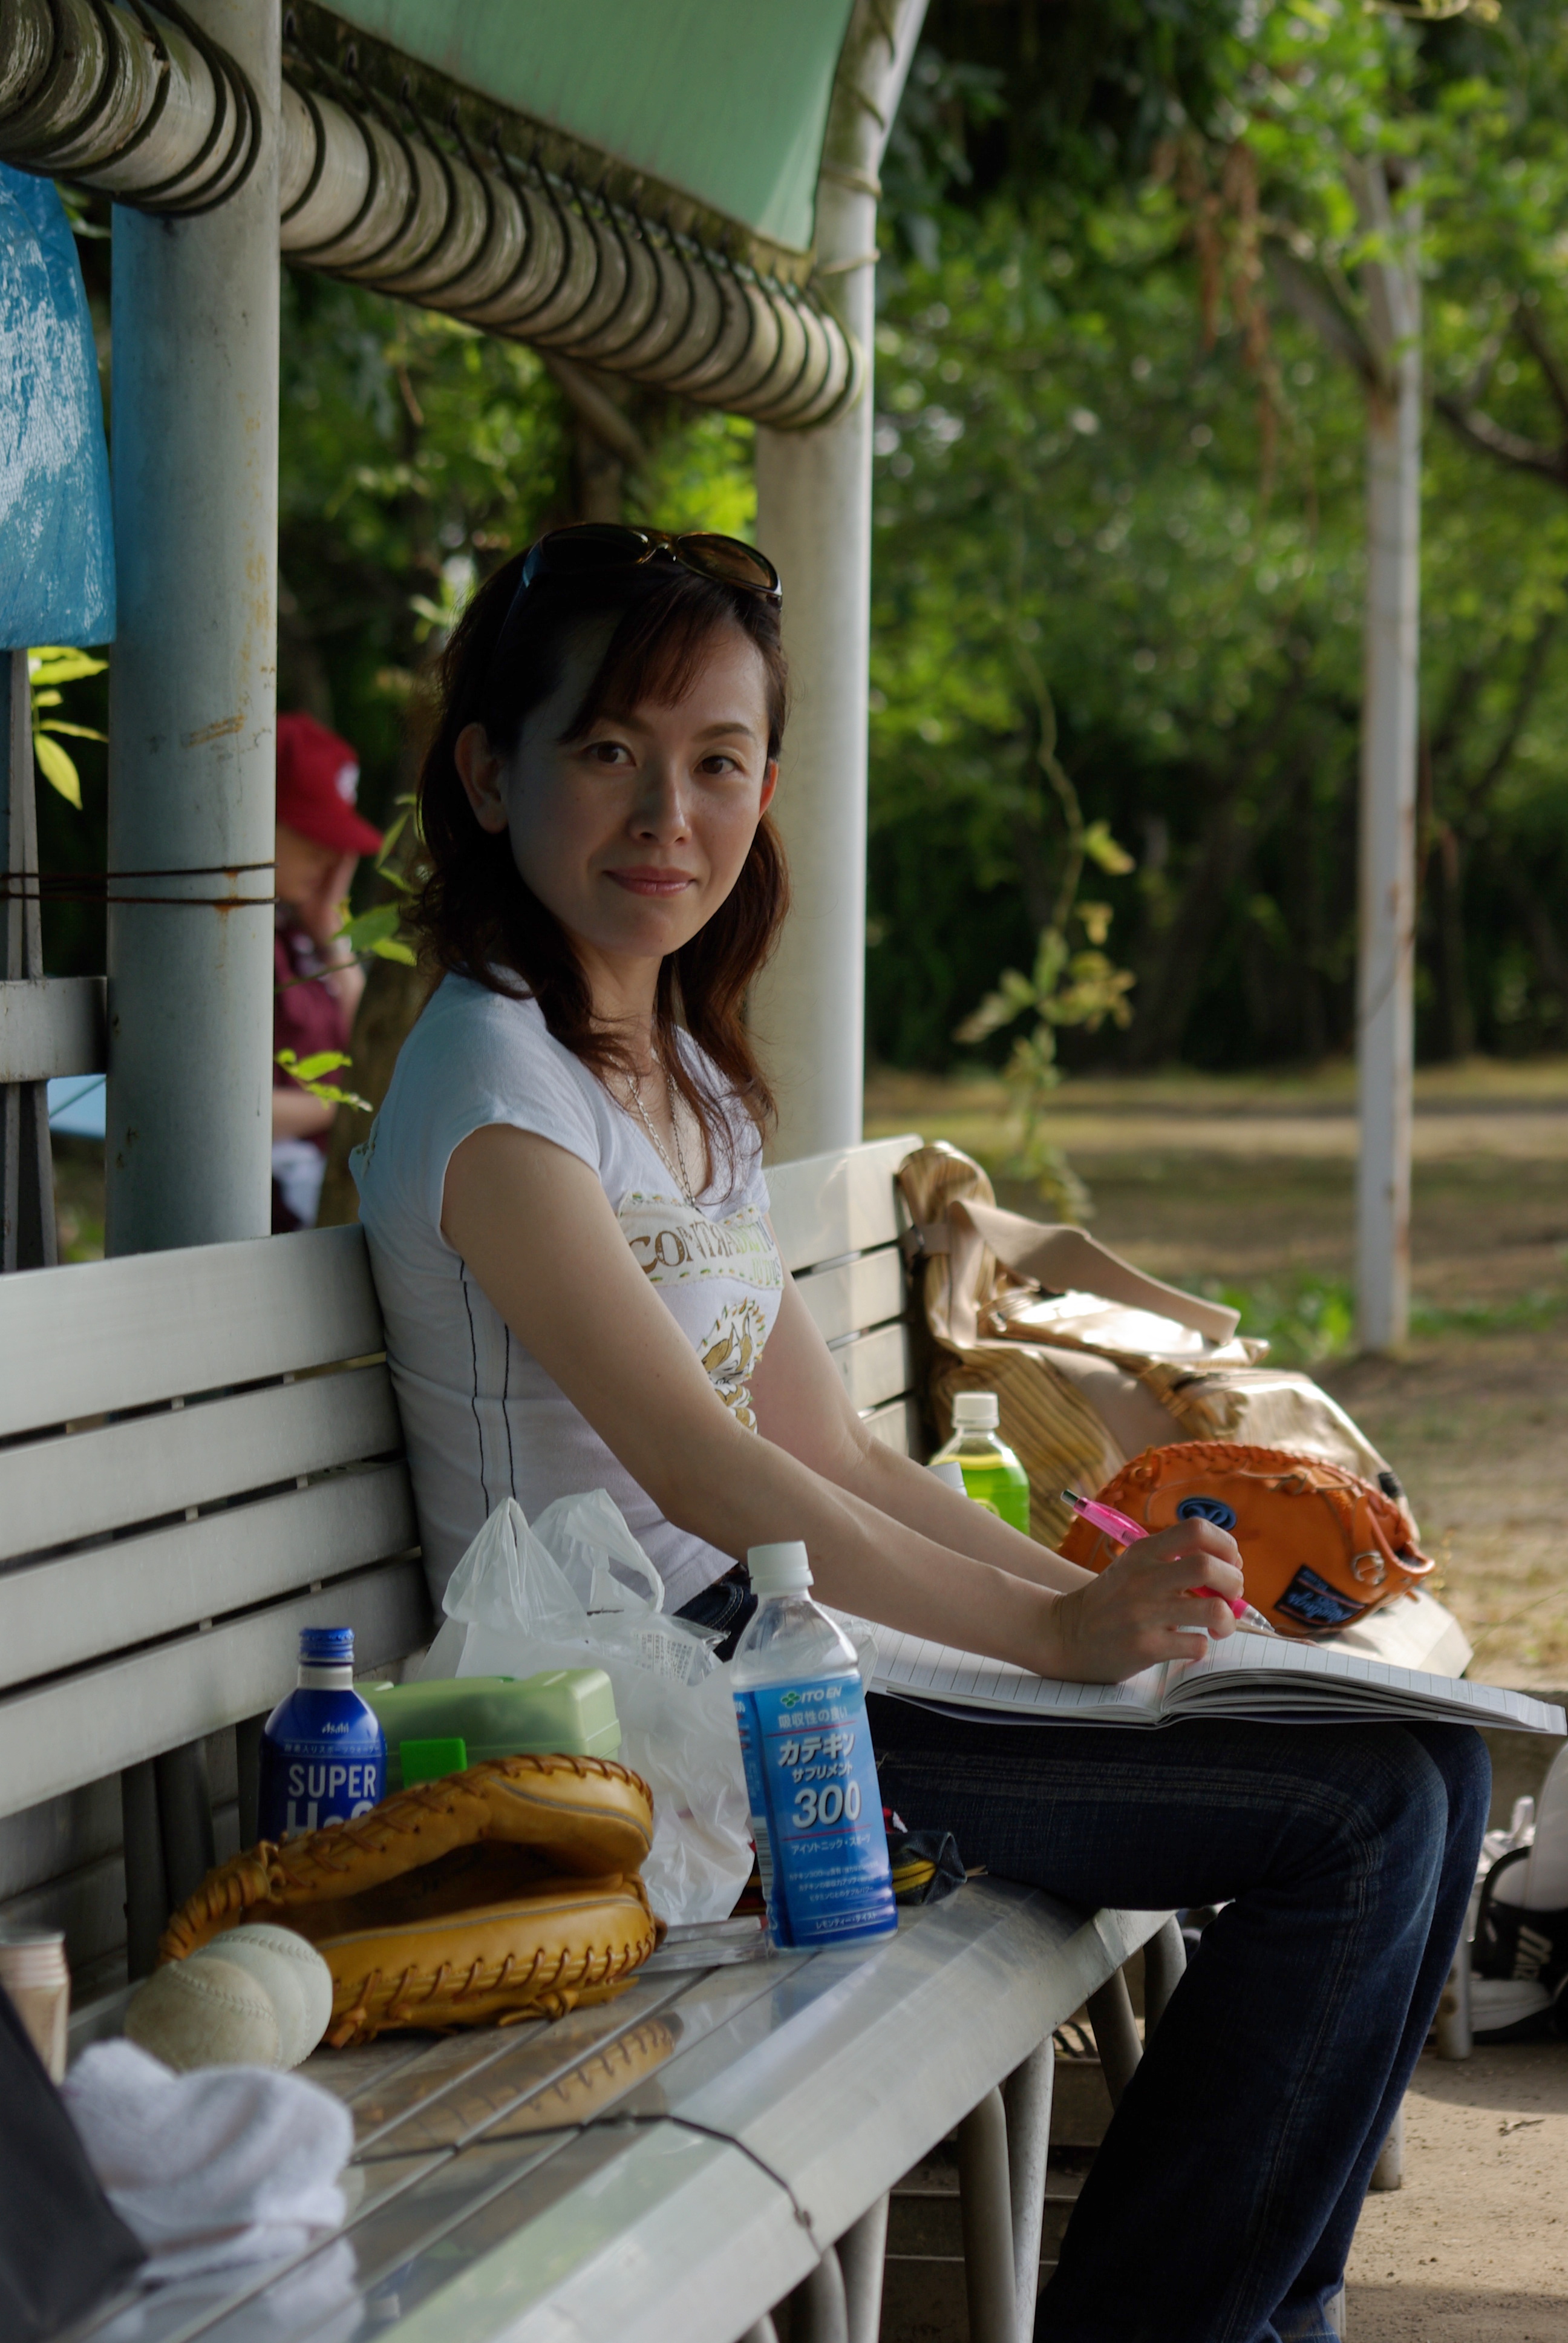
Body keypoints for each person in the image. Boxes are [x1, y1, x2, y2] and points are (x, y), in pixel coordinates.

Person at [352, 525, 1488, 2343]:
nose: (668, 814)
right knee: (1354, 1819)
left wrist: (1120, 1601)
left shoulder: (678, 1069)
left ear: (765, 788)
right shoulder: (497, 1091)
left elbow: (849, 1455)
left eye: (718, 761)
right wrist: (1051, 1633)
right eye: (609, 750)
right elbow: (709, 1471)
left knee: (1421, 1765)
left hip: (784, 1647)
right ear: (491, 774)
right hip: (662, 1715)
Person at [272, 712, 382, 1233]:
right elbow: (220, 1115)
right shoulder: (229, 951)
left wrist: (331, 936)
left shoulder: (302, 934)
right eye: (311, 834)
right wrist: (348, 1108)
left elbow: (376, 1045)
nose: (330, 856)